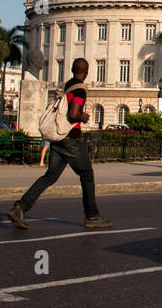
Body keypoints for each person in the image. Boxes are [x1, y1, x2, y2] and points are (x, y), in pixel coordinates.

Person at [8, 58, 111, 230]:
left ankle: (20, 207)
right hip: (71, 138)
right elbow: (73, 113)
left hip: (57, 138)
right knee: (86, 175)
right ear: (86, 72)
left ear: (71, 69)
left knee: (50, 176)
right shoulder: (79, 89)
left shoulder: (68, 86)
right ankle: (92, 216)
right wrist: (83, 117)